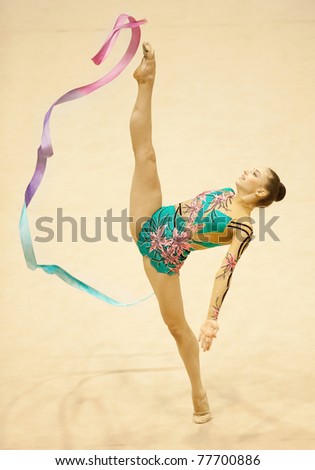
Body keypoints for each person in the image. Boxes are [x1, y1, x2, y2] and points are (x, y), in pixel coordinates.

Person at [128, 42, 286, 424]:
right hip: (150, 218)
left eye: (255, 174)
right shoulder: (230, 193)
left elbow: (224, 270)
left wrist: (212, 317)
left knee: (178, 328)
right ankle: (145, 81)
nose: (247, 171)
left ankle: (198, 393)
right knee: (146, 154)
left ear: (260, 192)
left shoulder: (243, 227)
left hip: (164, 259)